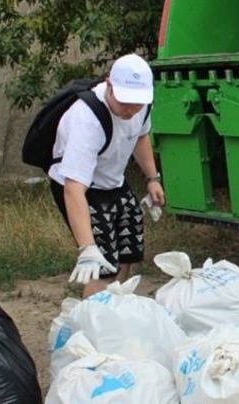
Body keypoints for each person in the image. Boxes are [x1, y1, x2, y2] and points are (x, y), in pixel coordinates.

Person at [49, 53, 165, 297]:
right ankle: (94, 323)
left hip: (113, 181)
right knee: (102, 267)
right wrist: (87, 248)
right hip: (81, 188)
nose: (132, 110)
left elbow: (140, 136)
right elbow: (73, 188)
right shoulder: (86, 119)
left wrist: (152, 178)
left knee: (127, 252)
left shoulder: (140, 108)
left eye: (138, 103)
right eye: (125, 102)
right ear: (109, 85)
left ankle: (115, 307)